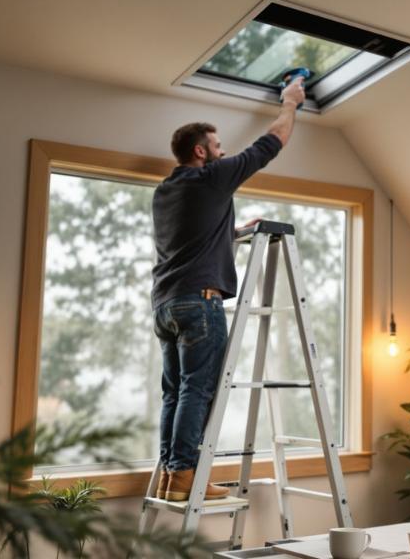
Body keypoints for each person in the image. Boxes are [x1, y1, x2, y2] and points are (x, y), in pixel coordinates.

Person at [150, 77, 306, 501]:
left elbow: (188, 239)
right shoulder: (212, 177)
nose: (222, 152)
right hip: (200, 303)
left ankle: (171, 476)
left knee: (174, 393)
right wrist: (290, 103)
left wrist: (232, 231)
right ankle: (186, 475)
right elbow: (271, 143)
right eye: (217, 147)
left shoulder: (166, 191)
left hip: (165, 305)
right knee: (198, 390)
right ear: (201, 152)